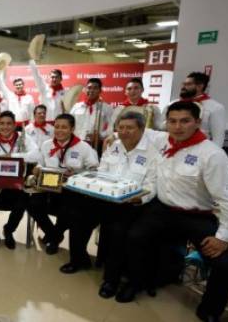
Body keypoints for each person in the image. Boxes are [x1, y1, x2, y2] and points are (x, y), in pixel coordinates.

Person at [118, 101, 228, 322]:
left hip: (197, 215)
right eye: (172, 121)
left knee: (226, 267)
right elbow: (134, 131)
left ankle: (210, 312)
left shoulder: (212, 155)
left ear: (197, 122)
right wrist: (141, 196)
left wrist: (223, 236)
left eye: (185, 121)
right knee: (134, 237)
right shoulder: (163, 142)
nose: (177, 126)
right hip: (162, 209)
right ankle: (136, 282)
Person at [60, 112, 158, 286]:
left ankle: (110, 279)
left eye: (130, 127)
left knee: (117, 231)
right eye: (121, 128)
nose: (124, 131)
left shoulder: (153, 153)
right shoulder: (113, 146)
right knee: (76, 217)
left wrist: (138, 198)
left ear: (142, 129)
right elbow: (101, 171)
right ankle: (79, 259)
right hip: (103, 199)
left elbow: (152, 185)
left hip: (130, 204)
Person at [26, 113, 98, 255]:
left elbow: (94, 170)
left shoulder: (83, 147)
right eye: (57, 126)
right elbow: (40, 163)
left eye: (64, 127)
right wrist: (37, 169)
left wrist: (77, 174)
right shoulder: (47, 145)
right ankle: (55, 235)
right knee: (31, 204)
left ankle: (53, 239)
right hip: (48, 187)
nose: (59, 130)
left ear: (72, 129)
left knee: (67, 210)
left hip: (71, 191)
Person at [0, 111, 39, 251]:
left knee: (24, 200)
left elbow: (36, 154)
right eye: (2, 124)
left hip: (17, 187)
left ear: (14, 125)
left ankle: (8, 230)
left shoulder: (23, 139)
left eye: (9, 124)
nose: (5, 127)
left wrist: (12, 156)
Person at [169, 71, 225, 146]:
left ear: (200, 86)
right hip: (173, 146)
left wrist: (210, 156)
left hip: (199, 150)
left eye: (188, 84)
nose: (183, 87)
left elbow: (218, 138)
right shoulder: (174, 104)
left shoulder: (215, 107)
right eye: (183, 84)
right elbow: (163, 126)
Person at [69, 78, 113, 153]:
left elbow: (112, 126)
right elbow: (69, 124)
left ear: (100, 91)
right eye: (89, 88)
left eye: (95, 88)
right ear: (85, 89)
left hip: (95, 146)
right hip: (75, 144)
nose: (91, 90)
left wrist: (100, 136)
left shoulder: (106, 108)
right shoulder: (76, 106)